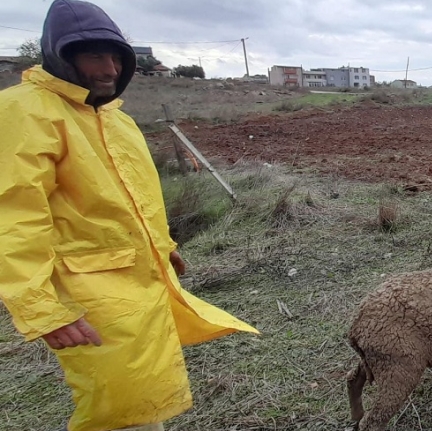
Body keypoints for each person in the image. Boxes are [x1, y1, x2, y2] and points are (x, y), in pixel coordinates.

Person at [0, 1, 259, 430]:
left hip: (138, 282)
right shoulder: (24, 111)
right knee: (119, 407)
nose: (108, 69)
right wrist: (42, 309)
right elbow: (14, 216)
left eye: (115, 57)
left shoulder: (116, 120)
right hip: (87, 294)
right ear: (59, 56)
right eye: (92, 56)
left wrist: (163, 247)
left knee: (140, 400)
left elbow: (136, 199)